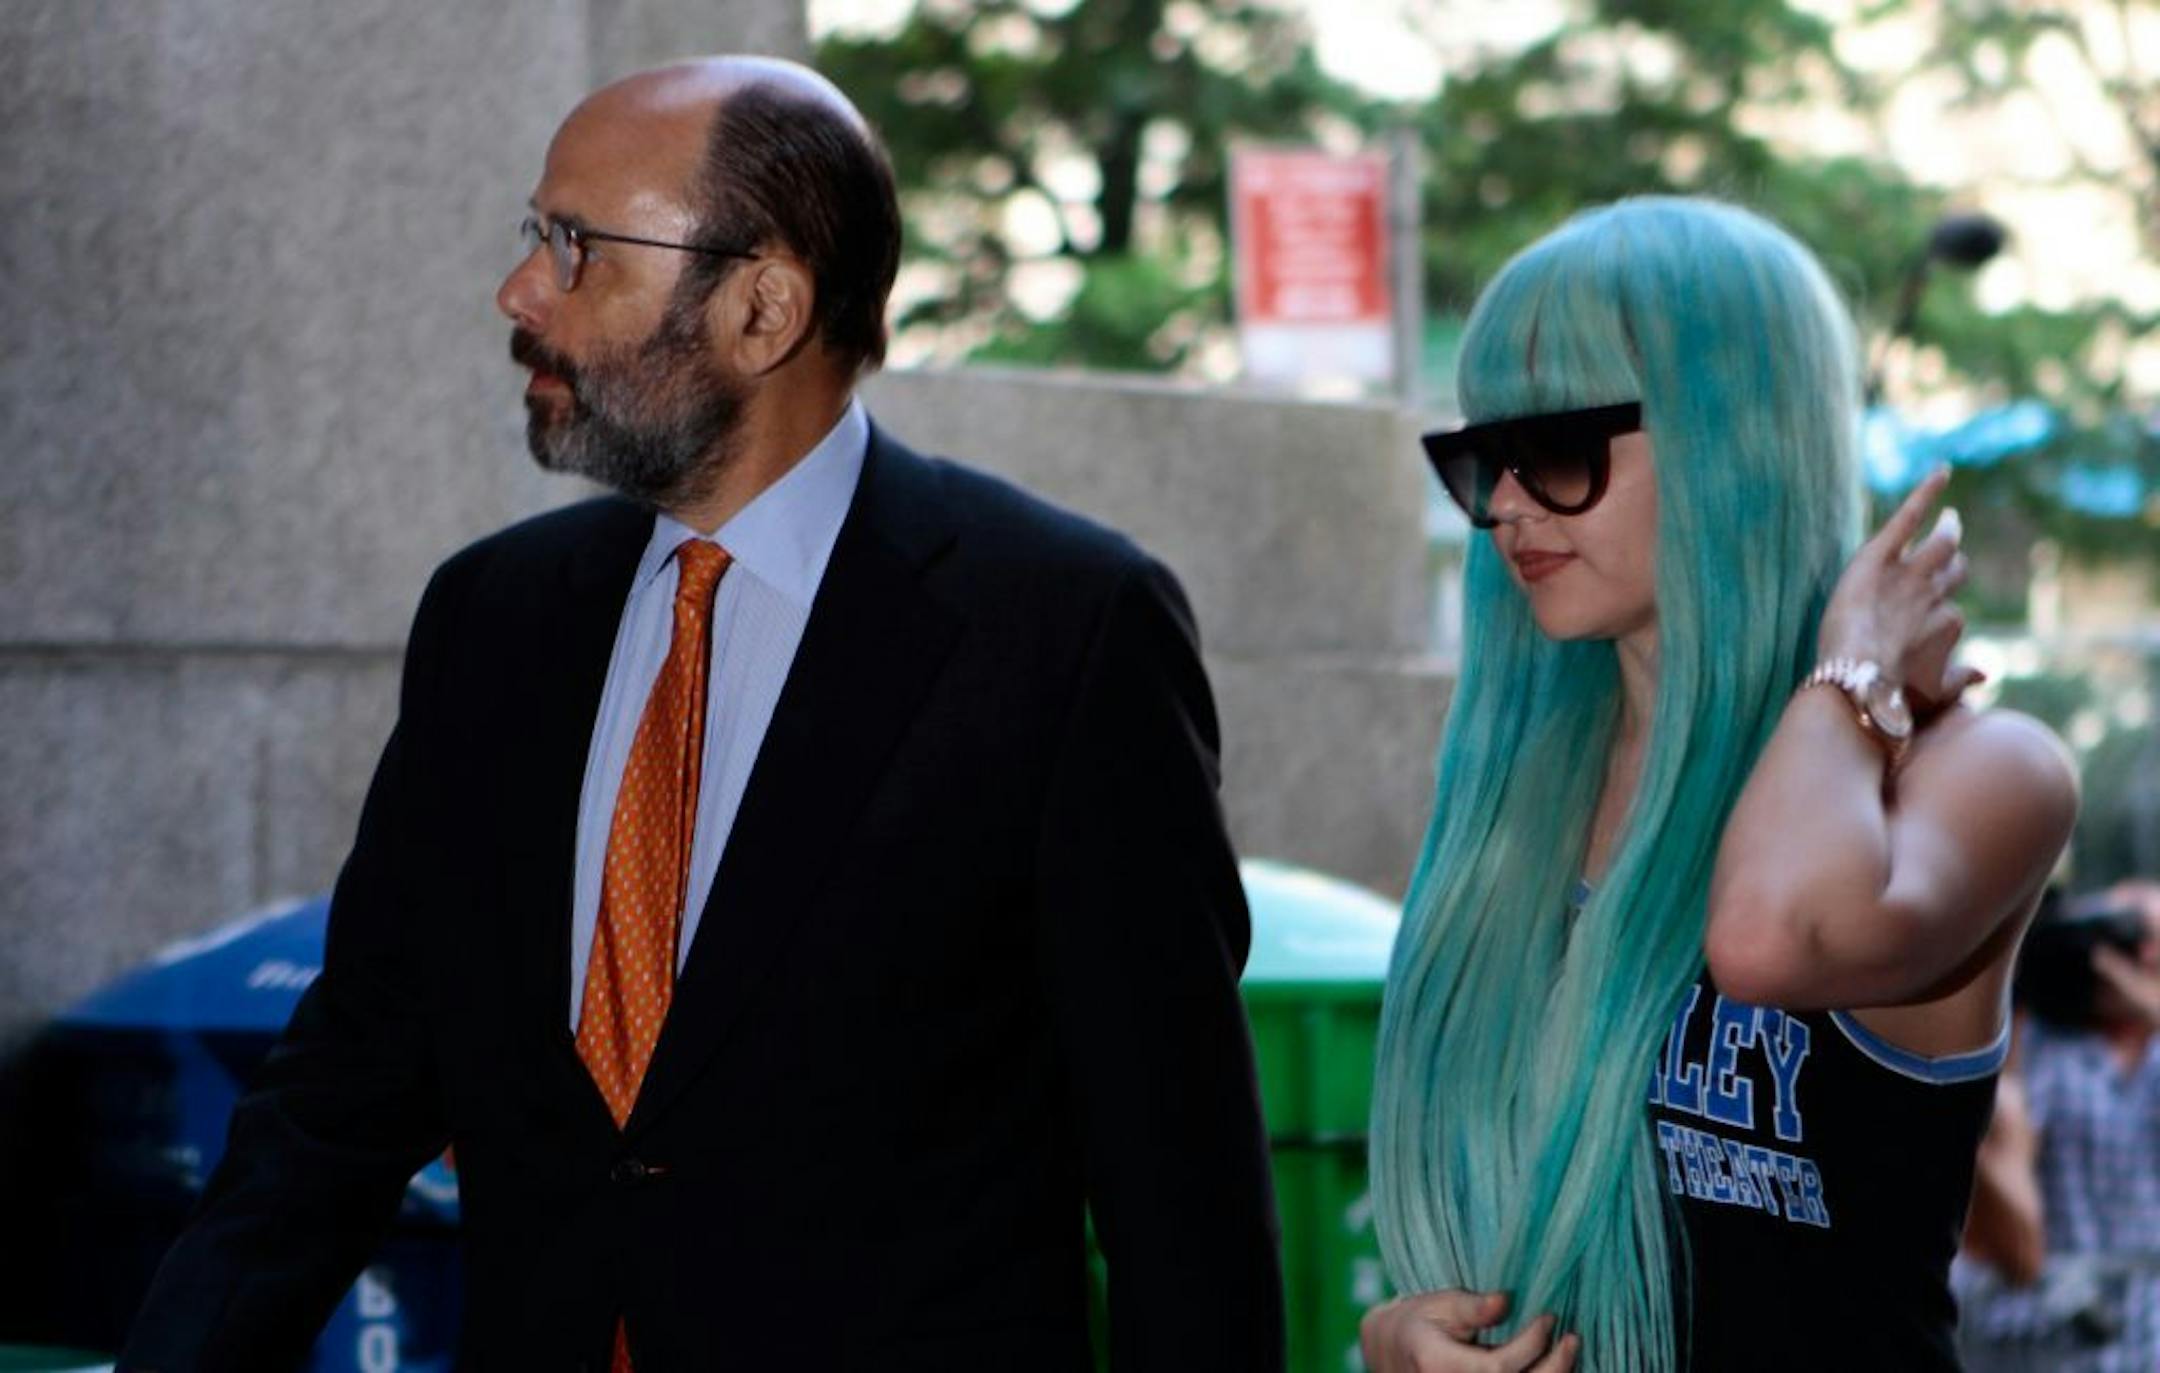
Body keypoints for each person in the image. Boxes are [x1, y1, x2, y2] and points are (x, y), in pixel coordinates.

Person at [119, 57, 1283, 1372]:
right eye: (533, 235)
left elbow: (1181, 1191)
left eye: (576, 247)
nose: (519, 292)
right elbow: (345, 1087)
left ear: (761, 307)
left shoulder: (1063, 625)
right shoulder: (493, 619)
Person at [1358, 197, 2078, 1373]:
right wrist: (1400, 1335)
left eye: (1558, 450)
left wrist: (1851, 670)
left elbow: (1767, 937)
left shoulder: (1978, 772)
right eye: (1483, 460)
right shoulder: (1522, 795)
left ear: (1731, 439)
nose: (1507, 504)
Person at [1960, 881, 2160, 1370]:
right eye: (2129, 937)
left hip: (2141, 1338)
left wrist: (2148, 1007)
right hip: (2034, 1336)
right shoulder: (2039, 1051)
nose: (2144, 954)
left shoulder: (2154, 1057)